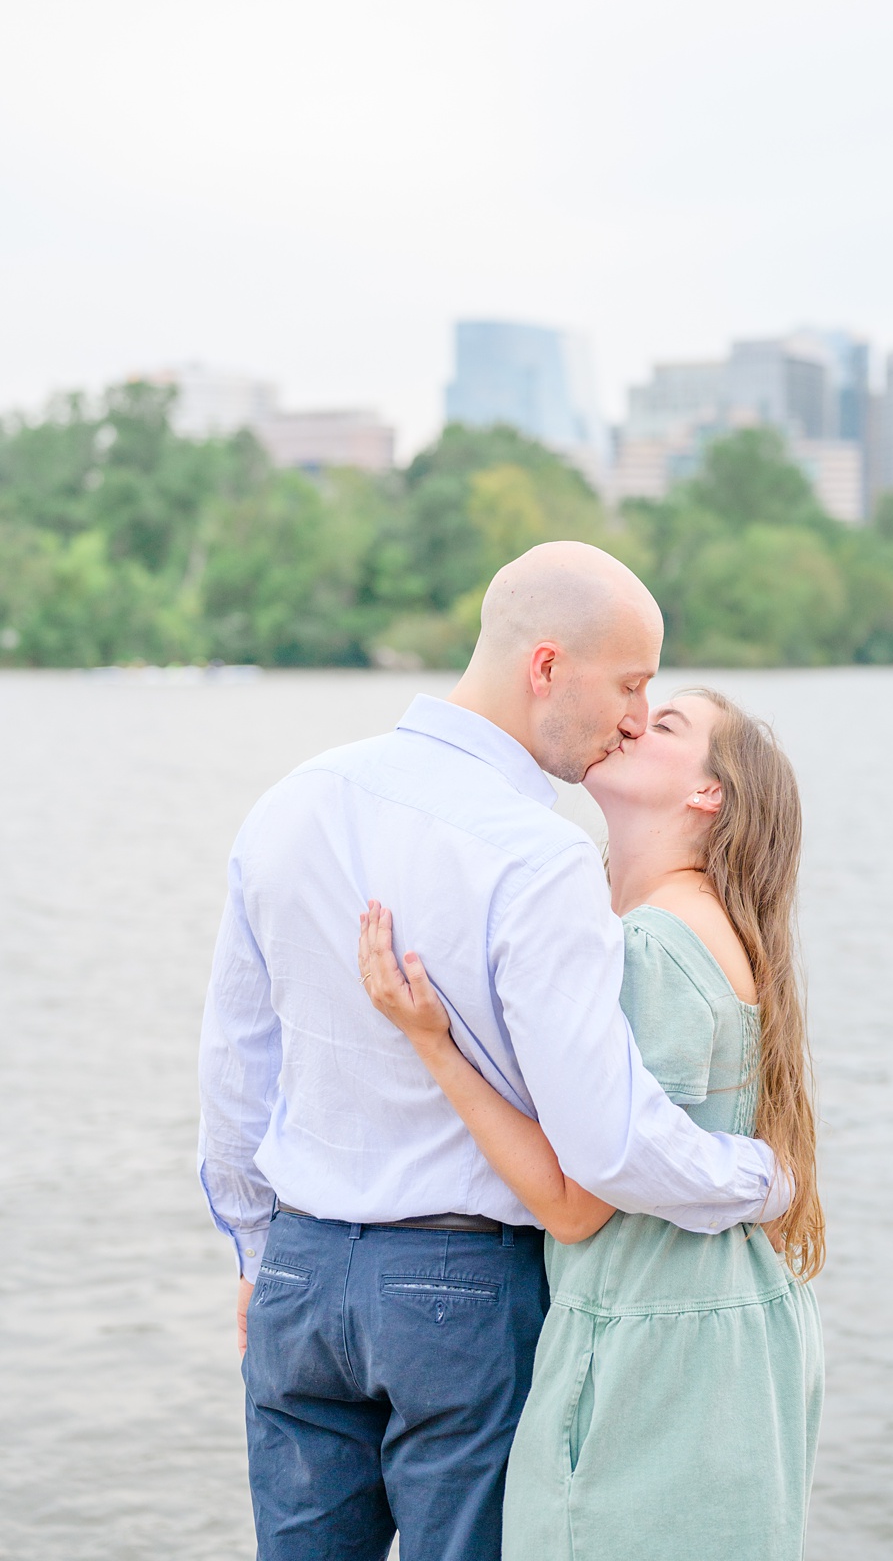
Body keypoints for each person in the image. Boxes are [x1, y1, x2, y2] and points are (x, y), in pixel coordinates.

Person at [197, 542, 790, 1561]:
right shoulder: (539, 855)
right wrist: (759, 1176)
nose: (638, 717)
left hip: (297, 1269)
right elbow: (605, 1148)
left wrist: (256, 1250)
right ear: (547, 666)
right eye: (632, 683)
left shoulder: (294, 800)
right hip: (458, 1287)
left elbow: (234, 1067)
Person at [360, 685, 824, 1556]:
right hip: (718, 1328)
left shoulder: (654, 947)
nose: (637, 721)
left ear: (708, 794)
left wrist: (435, 1048)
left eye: (671, 724)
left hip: (653, 1355)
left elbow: (577, 1205)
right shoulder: (697, 927)